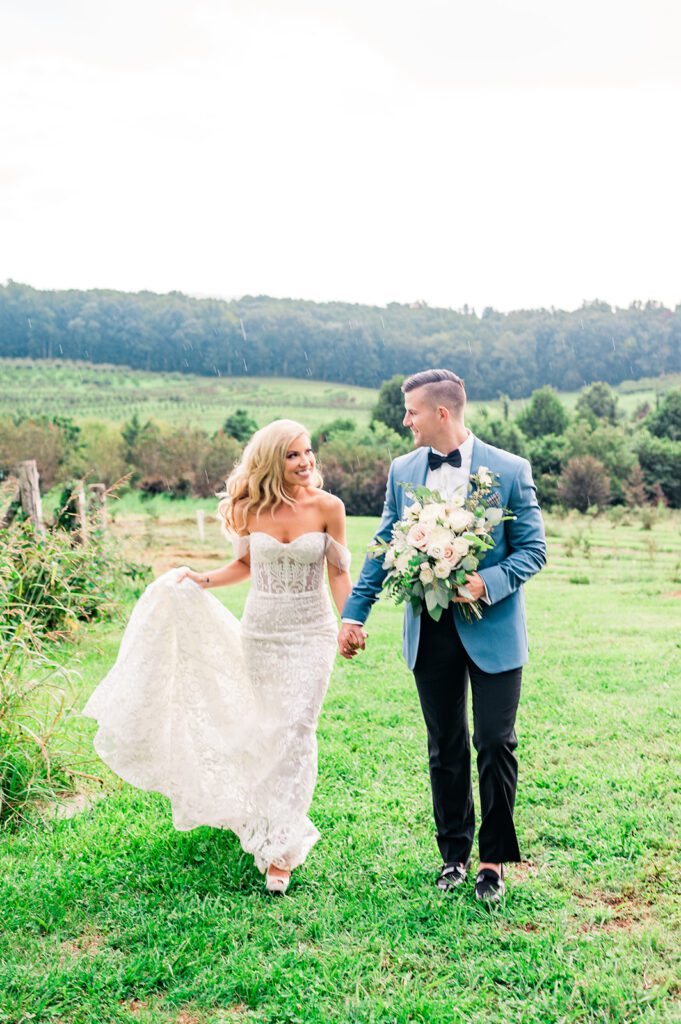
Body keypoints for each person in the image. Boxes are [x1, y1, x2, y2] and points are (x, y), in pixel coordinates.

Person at [83, 419, 352, 895]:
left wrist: (350, 620)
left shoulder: (330, 508)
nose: (306, 461)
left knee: (296, 730)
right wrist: (199, 579)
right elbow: (245, 565)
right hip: (263, 634)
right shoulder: (250, 510)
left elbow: (337, 573)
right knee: (267, 730)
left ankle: (281, 850)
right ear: (271, 460)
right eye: (293, 455)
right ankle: (265, 817)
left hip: (311, 634)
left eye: (308, 452)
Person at [339, 369, 546, 902]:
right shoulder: (402, 470)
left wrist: (487, 582)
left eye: (411, 411)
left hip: (494, 629)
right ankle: (454, 855)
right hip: (429, 631)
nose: (404, 420)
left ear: (441, 413)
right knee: (445, 745)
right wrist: (354, 613)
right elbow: (384, 544)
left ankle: (494, 862)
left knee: (495, 742)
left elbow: (533, 550)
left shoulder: (509, 470)